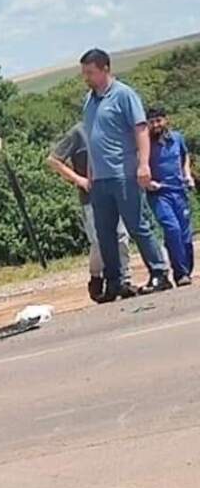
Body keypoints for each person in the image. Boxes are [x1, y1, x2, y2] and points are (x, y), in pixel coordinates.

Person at [80, 48, 172, 301]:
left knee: (137, 225)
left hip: (123, 173)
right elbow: (92, 140)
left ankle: (159, 272)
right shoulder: (89, 100)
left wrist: (144, 165)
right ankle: (115, 282)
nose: (86, 77)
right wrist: (90, 173)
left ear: (105, 69)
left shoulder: (123, 95)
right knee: (105, 232)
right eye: (84, 73)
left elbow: (141, 130)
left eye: (90, 72)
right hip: (100, 178)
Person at [47, 122, 132, 301]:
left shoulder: (112, 126)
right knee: (99, 242)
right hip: (91, 198)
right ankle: (96, 276)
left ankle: (123, 279)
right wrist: (79, 180)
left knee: (121, 236)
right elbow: (54, 160)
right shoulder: (78, 132)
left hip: (114, 192)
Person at [144, 106, 195, 286]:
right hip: (159, 194)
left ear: (166, 120)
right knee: (172, 229)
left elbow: (184, 156)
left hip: (179, 192)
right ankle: (180, 273)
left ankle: (186, 270)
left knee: (186, 235)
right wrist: (148, 182)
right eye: (152, 122)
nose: (156, 125)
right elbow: (139, 166)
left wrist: (187, 175)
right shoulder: (145, 144)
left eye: (158, 121)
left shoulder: (177, 138)